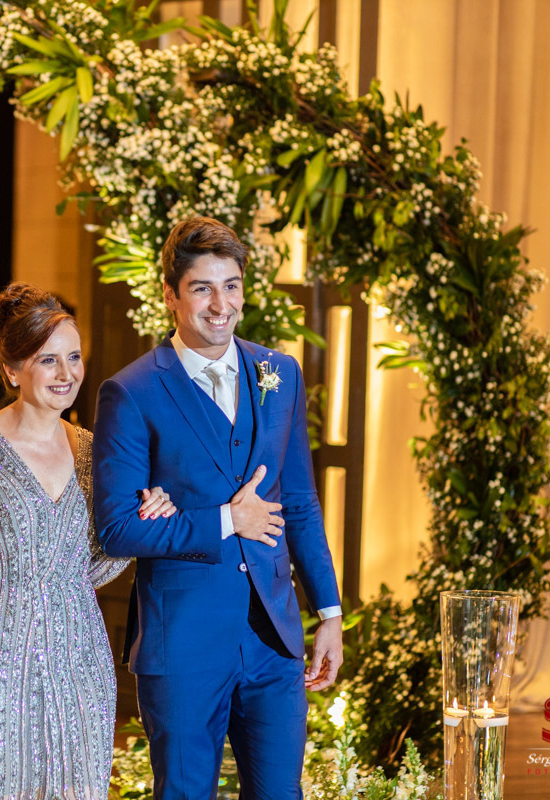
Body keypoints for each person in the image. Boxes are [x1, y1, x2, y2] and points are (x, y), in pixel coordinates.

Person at [92, 217, 344, 799]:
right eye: (202, 288)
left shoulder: (279, 373)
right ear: (171, 295)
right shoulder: (131, 391)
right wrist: (230, 520)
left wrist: (328, 611)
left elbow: (299, 502)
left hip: (273, 641)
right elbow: (117, 528)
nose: (220, 305)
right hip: (182, 643)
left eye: (231, 286)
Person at [0, 282, 177, 799]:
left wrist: (143, 524)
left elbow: (90, 564)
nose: (67, 374)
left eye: (74, 357)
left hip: (79, 656)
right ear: (12, 370)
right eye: (48, 360)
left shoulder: (93, 450)